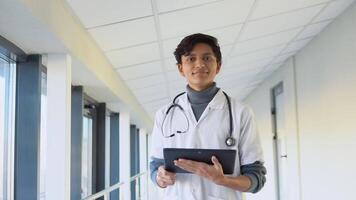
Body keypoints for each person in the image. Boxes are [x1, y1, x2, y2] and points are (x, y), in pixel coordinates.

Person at [149, 33, 266, 200]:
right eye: (191, 59)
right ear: (181, 68)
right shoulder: (164, 115)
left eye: (207, 58)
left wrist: (223, 180)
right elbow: (155, 166)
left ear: (218, 66)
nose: (199, 64)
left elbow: (257, 178)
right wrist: (159, 178)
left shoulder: (241, 113)